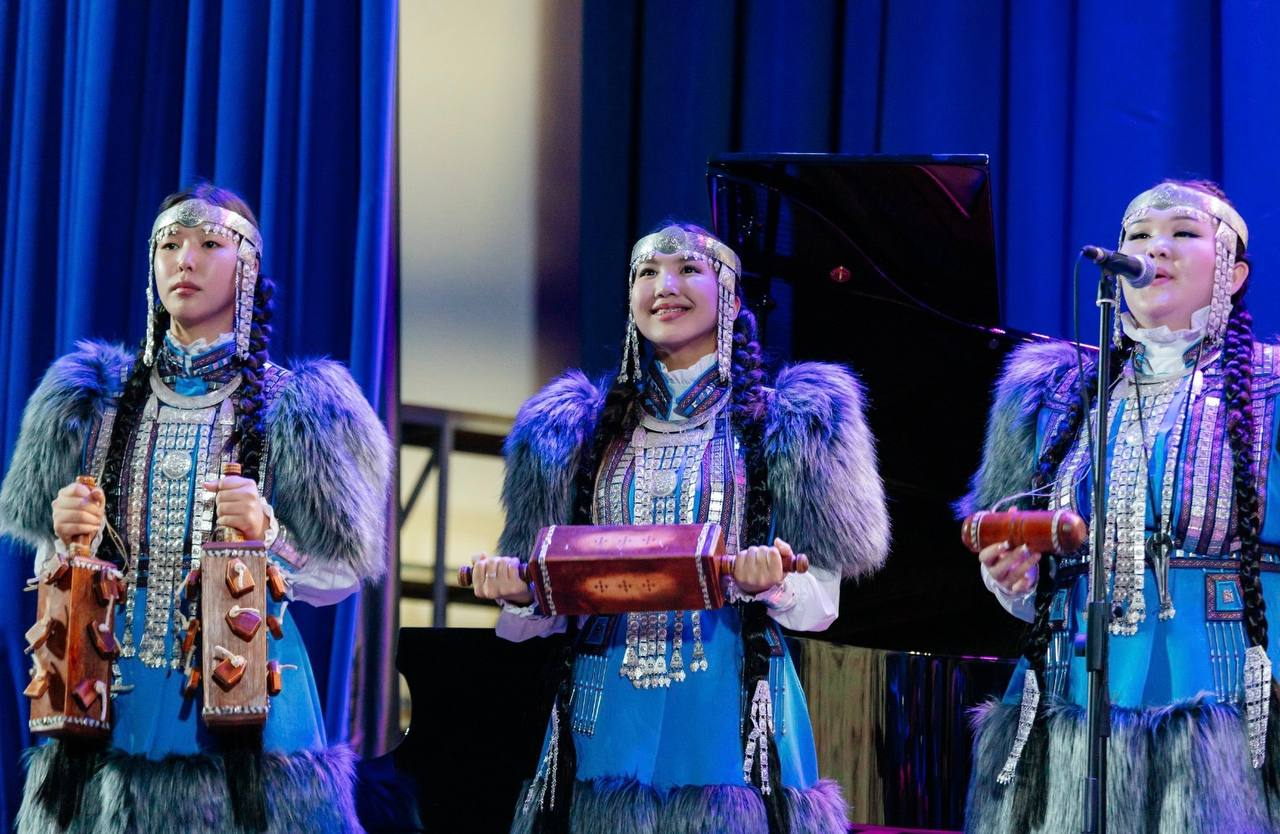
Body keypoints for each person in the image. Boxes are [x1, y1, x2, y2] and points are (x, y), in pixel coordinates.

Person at [471, 223, 890, 833]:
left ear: (732, 297)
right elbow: (539, 617)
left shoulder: (794, 423)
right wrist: (522, 594)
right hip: (605, 705)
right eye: (647, 273)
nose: (665, 286)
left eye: (688, 269)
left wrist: (771, 583)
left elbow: (821, 607)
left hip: (731, 703)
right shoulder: (572, 432)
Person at [0, 184, 391, 833]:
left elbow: (343, 574)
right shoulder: (91, 403)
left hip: (248, 700)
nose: (185, 259)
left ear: (248, 267)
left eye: (210, 243)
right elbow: (53, 571)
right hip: (110, 694)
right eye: (169, 245)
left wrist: (268, 533)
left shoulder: (299, 406)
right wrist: (64, 538)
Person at [961, 180, 1280, 832]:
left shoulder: (1270, 386)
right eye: (1138, 236)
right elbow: (1025, 561)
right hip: (1074, 693)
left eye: (1182, 233)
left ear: (1233, 272)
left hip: (1226, 695)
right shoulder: (1055, 397)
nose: (1154, 249)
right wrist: (1013, 580)